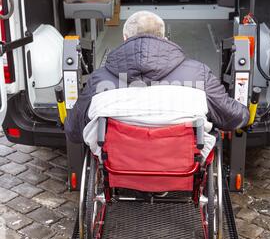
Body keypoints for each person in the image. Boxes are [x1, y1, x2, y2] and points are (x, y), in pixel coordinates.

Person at [64, 11, 249, 143]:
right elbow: (232, 118)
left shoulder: (99, 79)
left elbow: (73, 130)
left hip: (119, 166)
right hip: (181, 165)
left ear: (125, 38)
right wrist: (245, 113)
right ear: (165, 38)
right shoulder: (198, 73)